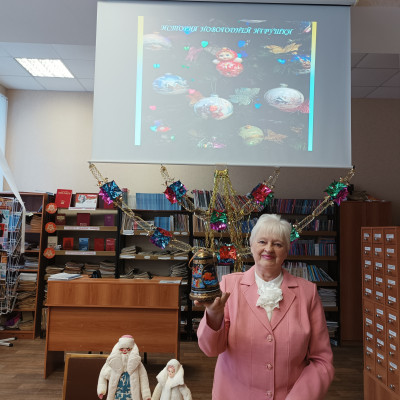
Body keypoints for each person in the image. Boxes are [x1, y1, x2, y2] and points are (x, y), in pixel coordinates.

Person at [197, 214, 334, 400]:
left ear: (286, 251)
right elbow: (210, 350)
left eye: (278, 244)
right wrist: (213, 315)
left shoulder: (307, 293)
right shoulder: (228, 286)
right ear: (251, 246)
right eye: (262, 242)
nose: (269, 249)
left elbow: (322, 361)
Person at [97, 334, 151, 400]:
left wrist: (146, 395)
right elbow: (102, 376)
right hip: (116, 395)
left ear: (132, 350)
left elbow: (143, 378)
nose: (125, 351)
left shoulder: (137, 364)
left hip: (132, 395)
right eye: (122, 349)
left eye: (128, 349)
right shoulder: (111, 362)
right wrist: (101, 390)